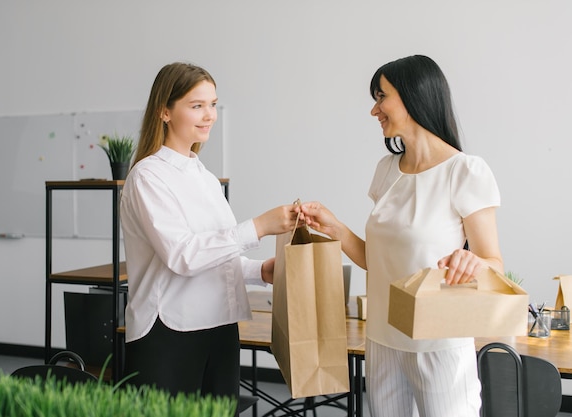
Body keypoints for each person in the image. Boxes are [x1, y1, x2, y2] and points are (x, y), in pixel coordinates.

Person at [300, 55, 503, 417]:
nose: (374, 110)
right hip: (382, 339)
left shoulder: (464, 171)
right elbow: (376, 261)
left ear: (414, 96)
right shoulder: (386, 170)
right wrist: (335, 228)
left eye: (382, 96)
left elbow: (495, 265)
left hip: (438, 344)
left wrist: (472, 262)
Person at [120, 62, 299, 408]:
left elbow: (215, 253)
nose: (210, 115)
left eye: (213, 104)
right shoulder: (148, 177)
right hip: (170, 331)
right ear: (164, 111)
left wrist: (260, 271)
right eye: (196, 105)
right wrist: (260, 226)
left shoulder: (203, 176)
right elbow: (183, 256)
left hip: (219, 326)